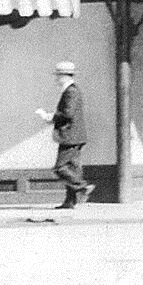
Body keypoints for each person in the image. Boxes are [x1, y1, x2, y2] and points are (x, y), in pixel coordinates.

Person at [36, 61, 94, 208]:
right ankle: (70, 201)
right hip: (74, 136)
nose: (56, 79)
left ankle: (82, 187)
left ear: (64, 76)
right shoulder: (72, 90)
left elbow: (67, 113)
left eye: (58, 76)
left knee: (60, 167)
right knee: (72, 168)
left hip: (70, 136)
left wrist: (50, 117)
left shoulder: (70, 92)